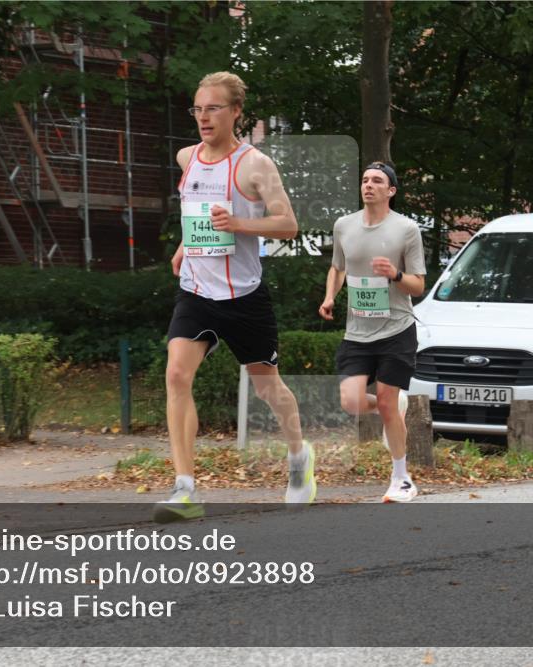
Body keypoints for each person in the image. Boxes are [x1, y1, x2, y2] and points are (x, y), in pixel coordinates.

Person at [154, 72, 315, 523]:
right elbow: (196, 211)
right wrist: (186, 245)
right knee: (177, 375)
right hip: (197, 292)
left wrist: (240, 225)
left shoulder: (255, 165)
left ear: (236, 112)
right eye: (198, 108)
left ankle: (300, 459)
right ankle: (185, 489)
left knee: (269, 388)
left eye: (214, 108)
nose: (204, 117)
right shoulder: (187, 157)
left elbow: (288, 225)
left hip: (244, 296)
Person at [319, 162, 426, 502]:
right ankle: (396, 406)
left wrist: (395, 274)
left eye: (377, 181)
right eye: (365, 180)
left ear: (391, 190)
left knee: (385, 400)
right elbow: (338, 267)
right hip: (357, 330)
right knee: (350, 401)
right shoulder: (344, 225)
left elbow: (418, 285)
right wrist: (329, 296)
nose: (369, 185)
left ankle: (402, 479)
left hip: (397, 327)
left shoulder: (406, 229)